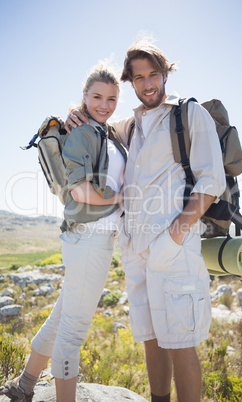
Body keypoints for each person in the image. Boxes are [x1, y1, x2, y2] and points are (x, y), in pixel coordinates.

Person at [65, 38, 226, 402]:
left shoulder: (188, 114)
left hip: (173, 247)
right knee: (152, 338)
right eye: (139, 78)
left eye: (154, 74)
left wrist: (176, 232)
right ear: (130, 82)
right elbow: (98, 117)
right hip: (136, 249)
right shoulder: (132, 124)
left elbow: (211, 179)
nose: (148, 84)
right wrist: (76, 111)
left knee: (181, 342)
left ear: (165, 74)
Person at [0, 64, 127, 402]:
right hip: (90, 240)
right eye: (97, 97)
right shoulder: (85, 131)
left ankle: (24, 386)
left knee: (61, 318)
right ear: (84, 97)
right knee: (73, 332)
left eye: (112, 98)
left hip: (90, 238)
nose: (104, 104)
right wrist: (121, 198)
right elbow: (79, 191)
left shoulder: (106, 132)